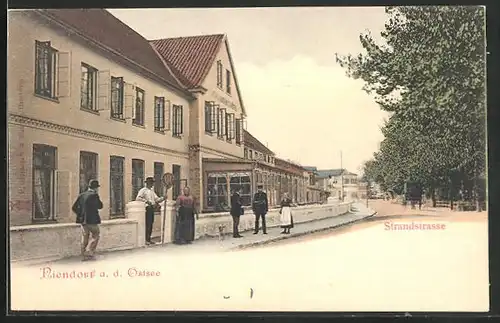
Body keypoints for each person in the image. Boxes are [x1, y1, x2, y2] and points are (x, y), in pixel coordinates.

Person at [72, 179, 103, 261]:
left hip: (83, 221)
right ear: (96, 188)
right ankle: (90, 252)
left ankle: (83, 255)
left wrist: (80, 215)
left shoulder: (81, 195)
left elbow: (74, 207)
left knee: (85, 236)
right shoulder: (94, 195)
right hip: (92, 220)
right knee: (96, 235)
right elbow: (100, 206)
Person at [136, 177, 166, 245]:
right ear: (147, 183)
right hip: (146, 209)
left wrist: (163, 198)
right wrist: (146, 201)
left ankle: (148, 239)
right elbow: (138, 198)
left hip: (152, 208)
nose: (152, 184)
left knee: (151, 224)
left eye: (152, 183)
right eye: (151, 182)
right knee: (147, 224)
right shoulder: (143, 190)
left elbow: (156, 199)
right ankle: (146, 240)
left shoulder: (152, 191)